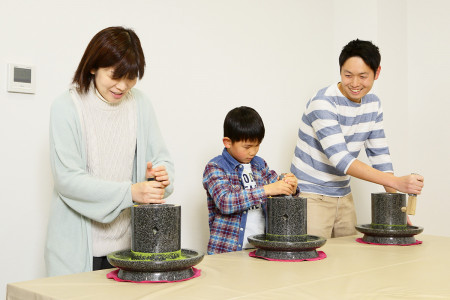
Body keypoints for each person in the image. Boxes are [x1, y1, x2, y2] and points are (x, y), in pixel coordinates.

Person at [45, 26, 174, 276]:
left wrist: (159, 178)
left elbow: (161, 160)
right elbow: (68, 180)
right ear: (93, 66)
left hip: (130, 250)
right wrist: (131, 192)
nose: (123, 86)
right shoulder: (66, 107)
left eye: (131, 77)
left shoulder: (141, 104)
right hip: (77, 251)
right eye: (115, 75)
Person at [290, 39, 424, 239]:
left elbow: (380, 156)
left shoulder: (373, 104)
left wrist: (397, 206)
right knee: (311, 265)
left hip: (344, 196)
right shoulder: (323, 101)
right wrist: (397, 182)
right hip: (311, 196)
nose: (354, 83)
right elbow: (341, 159)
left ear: (377, 73)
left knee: (350, 262)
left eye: (363, 76)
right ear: (340, 71)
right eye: (348, 75)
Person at [203, 106, 299, 254]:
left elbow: (277, 188)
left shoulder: (259, 165)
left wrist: (289, 185)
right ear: (227, 142)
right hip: (227, 251)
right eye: (247, 146)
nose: (253, 151)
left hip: (259, 249)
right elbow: (225, 202)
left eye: (257, 145)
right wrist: (267, 190)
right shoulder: (215, 167)